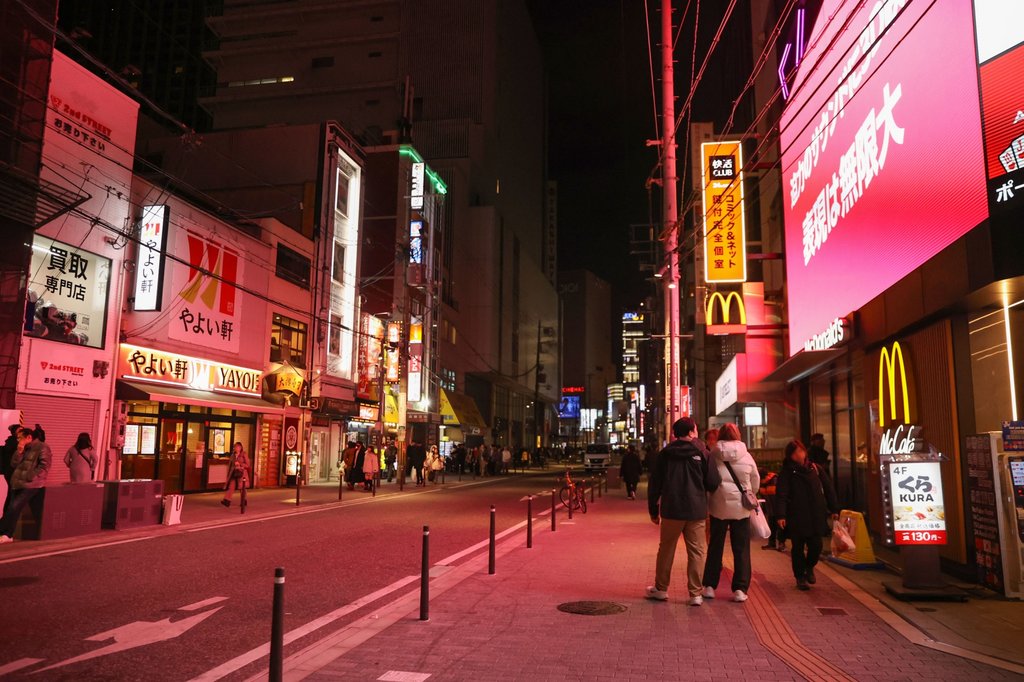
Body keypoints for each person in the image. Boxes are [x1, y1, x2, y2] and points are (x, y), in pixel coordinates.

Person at [645, 417, 722, 605]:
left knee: (666, 549)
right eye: (695, 429)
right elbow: (713, 482)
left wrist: (653, 510)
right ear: (691, 432)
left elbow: (655, 484)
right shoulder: (703, 453)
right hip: (696, 510)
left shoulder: (665, 454)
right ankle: (695, 594)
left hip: (671, 509)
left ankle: (661, 589)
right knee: (697, 551)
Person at [702, 423, 759, 603]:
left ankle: (709, 586)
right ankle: (740, 589)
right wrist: (749, 493)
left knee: (715, 546)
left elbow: (709, 480)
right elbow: (755, 480)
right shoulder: (746, 455)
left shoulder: (713, 454)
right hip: (741, 508)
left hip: (718, 506)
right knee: (741, 548)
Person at [776, 439, 840, 590]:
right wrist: (781, 515)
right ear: (790, 456)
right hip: (796, 515)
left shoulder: (815, 469)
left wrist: (834, 509)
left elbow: (828, 489)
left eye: (800, 451)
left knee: (816, 546)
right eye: (794, 453)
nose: (798, 455)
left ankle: (809, 566)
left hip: (816, 514)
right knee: (797, 547)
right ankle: (800, 577)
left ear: (805, 451)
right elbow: (781, 495)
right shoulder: (787, 472)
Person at [0, 427, 50, 542]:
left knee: (14, 507)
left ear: (29, 437)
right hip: (17, 482)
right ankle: (8, 534)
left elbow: (44, 467)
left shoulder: (42, 447)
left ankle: (6, 532)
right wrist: (19, 452)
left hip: (31, 484)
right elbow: (13, 464)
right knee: (12, 508)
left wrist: (30, 476)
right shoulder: (22, 448)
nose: (18, 440)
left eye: (20, 438)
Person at [758, 467, 784, 551]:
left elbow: (781, 496)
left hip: (778, 509)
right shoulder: (762, 484)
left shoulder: (776, 480)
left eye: (761, 480)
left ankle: (781, 544)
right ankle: (772, 544)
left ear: (765, 477)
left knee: (780, 527)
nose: (760, 482)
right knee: (771, 526)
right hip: (770, 509)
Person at [221, 442, 250, 507]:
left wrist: (240, 464)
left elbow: (248, 465)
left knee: (242, 488)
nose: (236, 448)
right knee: (231, 486)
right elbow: (230, 465)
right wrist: (229, 473)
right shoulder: (233, 455)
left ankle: (243, 501)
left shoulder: (244, 454)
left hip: (241, 473)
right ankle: (227, 500)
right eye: (235, 447)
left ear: (240, 447)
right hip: (234, 473)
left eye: (237, 447)